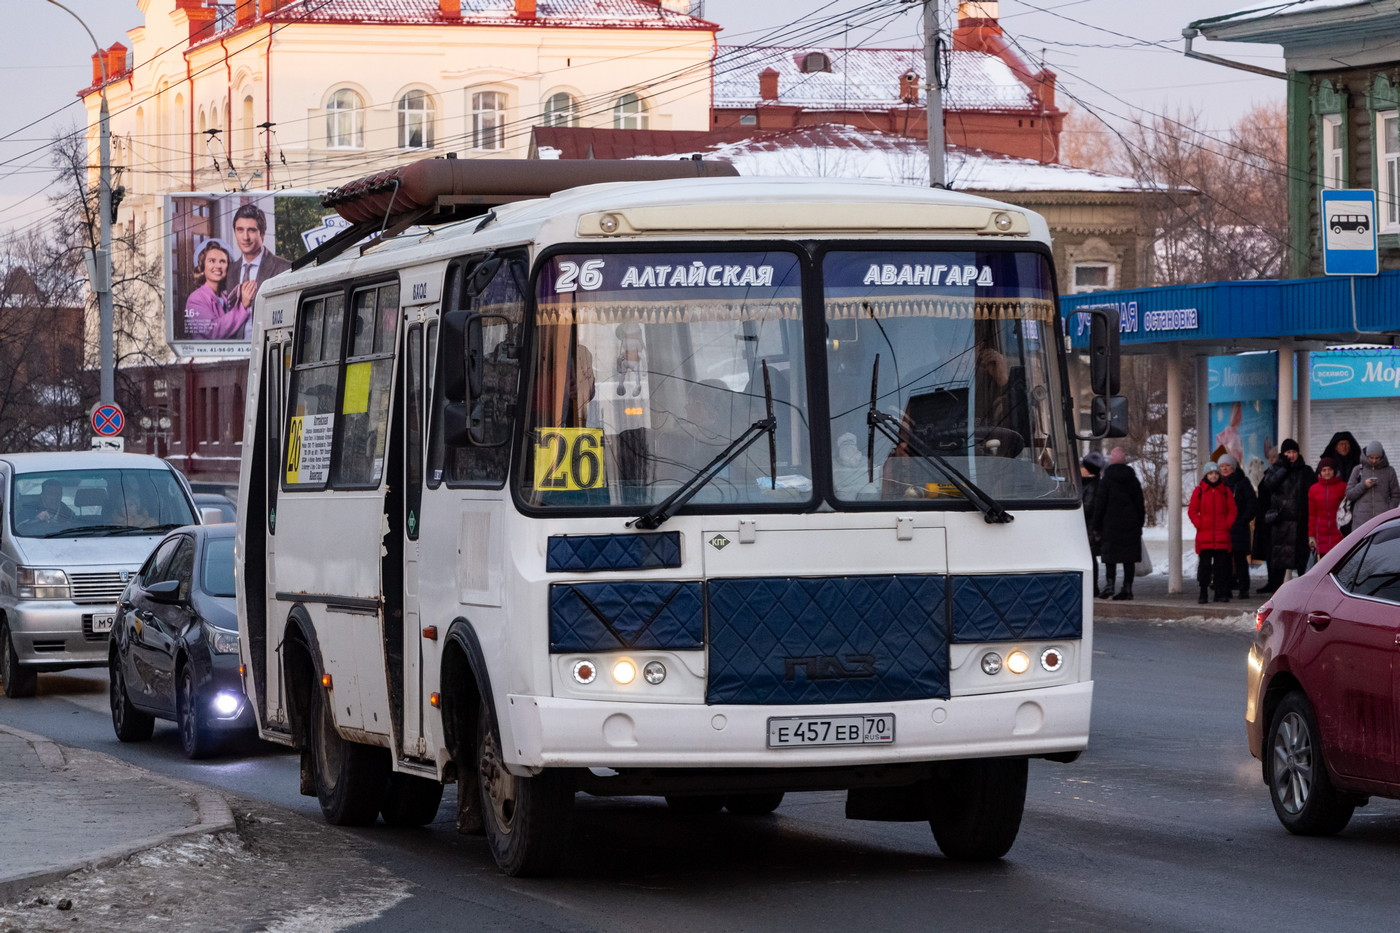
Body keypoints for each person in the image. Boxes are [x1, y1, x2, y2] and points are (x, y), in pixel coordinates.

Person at [1256, 438, 1316, 594]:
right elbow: (1268, 486)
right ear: (1283, 454)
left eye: (1294, 452)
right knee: (1278, 560)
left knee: (1302, 560)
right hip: (1281, 523)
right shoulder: (1276, 469)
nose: (1292, 455)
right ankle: (1275, 590)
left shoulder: (1306, 471)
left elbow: (1312, 493)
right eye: (1288, 452)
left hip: (1300, 522)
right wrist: (1283, 468)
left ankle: (1305, 592)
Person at [227, 203, 292, 338]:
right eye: (240, 230)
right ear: (234, 232)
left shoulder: (284, 268)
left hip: (270, 348)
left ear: (262, 233)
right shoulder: (229, 270)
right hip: (233, 350)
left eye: (251, 230)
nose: (245, 237)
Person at [1091, 446, 1146, 601]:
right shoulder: (1133, 479)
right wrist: (1139, 523)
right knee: (1129, 559)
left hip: (1110, 525)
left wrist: (1096, 525)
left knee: (1110, 557)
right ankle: (1127, 588)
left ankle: (1109, 585)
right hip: (1131, 525)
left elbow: (1100, 504)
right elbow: (1139, 504)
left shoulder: (1106, 480)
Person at [1189, 462, 1237, 603]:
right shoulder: (1199, 491)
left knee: (1220, 567)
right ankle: (1203, 591)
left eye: (1216, 473)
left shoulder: (1225, 491)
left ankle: (1219, 592)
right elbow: (1192, 510)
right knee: (1204, 566)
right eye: (1211, 473)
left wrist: (1227, 525)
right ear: (1206, 475)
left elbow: (1232, 510)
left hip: (1222, 535)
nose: (1214, 476)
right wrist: (1200, 524)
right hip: (1205, 536)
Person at [183, 240, 248, 340]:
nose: (218, 266)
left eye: (222, 261)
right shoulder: (195, 299)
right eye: (212, 261)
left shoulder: (226, 298)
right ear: (202, 267)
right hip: (206, 355)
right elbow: (212, 331)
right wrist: (242, 307)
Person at [1217, 454, 1258, 599]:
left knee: (1240, 560)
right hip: (1223, 528)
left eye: (1227, 466)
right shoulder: (1218, 483)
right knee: (1225, 560)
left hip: (1239, 527)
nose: (1225, 469)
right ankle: (1226, 588)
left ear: (1233, 467)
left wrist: (1243, 519)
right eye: (1222, 466)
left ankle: (1243, 589)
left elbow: (1252, 503)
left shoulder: (1242, 482)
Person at [1345, 440, 1400, 528]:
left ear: (1382, 457)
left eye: (1377, 458)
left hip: (1382, 521)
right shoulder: (1358, 470)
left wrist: (1388, 512)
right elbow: (1349, 494)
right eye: (1371, 457)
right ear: (1366, 456)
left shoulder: (1389, 471)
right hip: (1360, 522)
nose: (1374, 461)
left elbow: (1396, 495)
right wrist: (1364, 485)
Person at [1307, 457, 1347, 561]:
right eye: (1324, 470)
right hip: (1321, 535)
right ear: (1320, 472)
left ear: (1334, 471)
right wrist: (1311, 536)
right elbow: (1312, 515)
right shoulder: (1313, 489)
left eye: (1330, 469)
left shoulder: (1343, 487)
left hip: (1338, 533)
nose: (1327, 472)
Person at [1080, 452, 1107, 594]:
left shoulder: (1090, 485)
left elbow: (1088, 507)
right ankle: (1092, 586)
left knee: (1089, 557)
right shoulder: (1092, 483)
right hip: (1089, 527)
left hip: (1088, 528)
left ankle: (1092, 587)